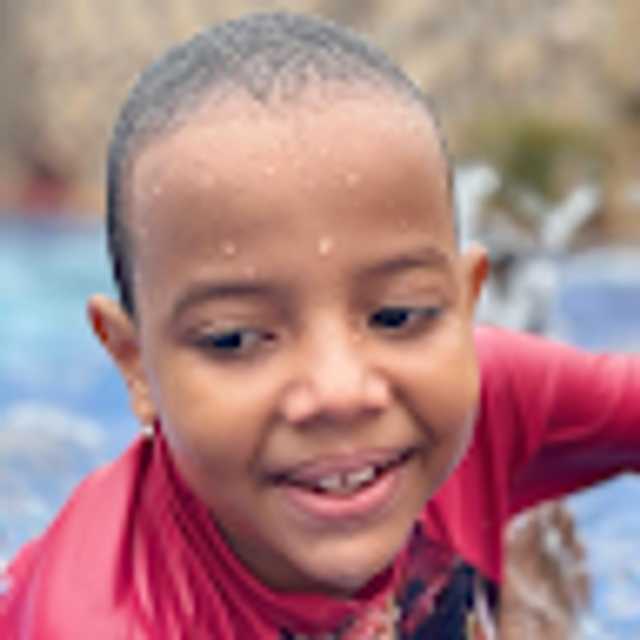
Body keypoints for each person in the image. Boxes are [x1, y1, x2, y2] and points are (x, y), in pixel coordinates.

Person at [1, 12, 639, 639]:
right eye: (234, 339)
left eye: (397, 315)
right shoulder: (99, 623)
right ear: (134, 362)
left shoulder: (483, 397)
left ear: (463, 305)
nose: (340, 392)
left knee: (534, 558)